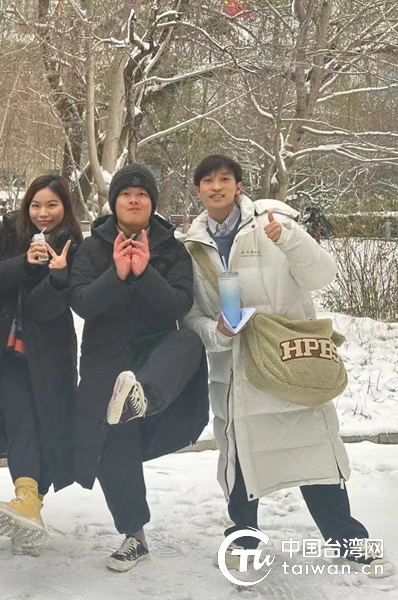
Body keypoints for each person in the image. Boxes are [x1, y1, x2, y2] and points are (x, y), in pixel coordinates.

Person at [181, 154, 393, 577]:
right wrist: (217, 332)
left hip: (290, 360)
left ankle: (349, 540)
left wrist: (292, 239)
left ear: (239, 186)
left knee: (314, 450)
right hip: (236, 369)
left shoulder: (273, 223)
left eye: (225, 179)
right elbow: (190, 316)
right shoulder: (191, 247)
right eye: (208, 180)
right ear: (198, 189)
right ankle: (244, 540)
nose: (217, 186)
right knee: (240, 458)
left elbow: (322, 276)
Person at [69, 164, 209, 572]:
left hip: (155, 359)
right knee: (114, 449)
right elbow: (83, 303)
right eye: (126, 194)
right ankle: (135, 537)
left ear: (153, 203)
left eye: (143, 194)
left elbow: (177, 306)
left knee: (189, 341)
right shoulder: (92, 248)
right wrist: (117, 274)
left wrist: (145, 272)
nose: (134, 200)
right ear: (114, 202)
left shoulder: (172, 249)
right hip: (106, 365)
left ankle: (143, 395)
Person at [0, 174, 82, 555]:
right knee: (21, 421)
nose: (43, 213)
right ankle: (26, 498)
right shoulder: (6, 233)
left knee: (48, 424)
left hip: (50, 355)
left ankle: (30, 508)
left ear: (65, 207)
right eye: (36, 205)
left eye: (52, 205)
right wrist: (24, 264)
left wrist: (58, 277)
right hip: (5, 353)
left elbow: (46, 308)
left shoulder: (73, 246)